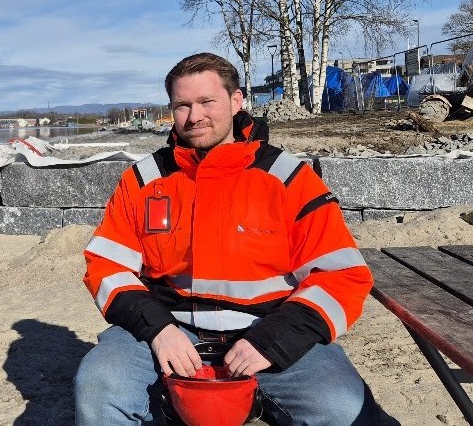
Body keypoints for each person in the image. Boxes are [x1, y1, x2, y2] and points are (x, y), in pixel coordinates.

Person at [74, 52, 387, 425]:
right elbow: (107, 266)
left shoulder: (289, 179)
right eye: (182, 106)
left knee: (344, 409)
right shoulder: (142, 181)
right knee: (98, 389)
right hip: (167, 330)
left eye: (207, 102)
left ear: (236, 101)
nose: (195, 116)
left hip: (268, 331)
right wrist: (159, 330)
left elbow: (341, 275)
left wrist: (272, 342)